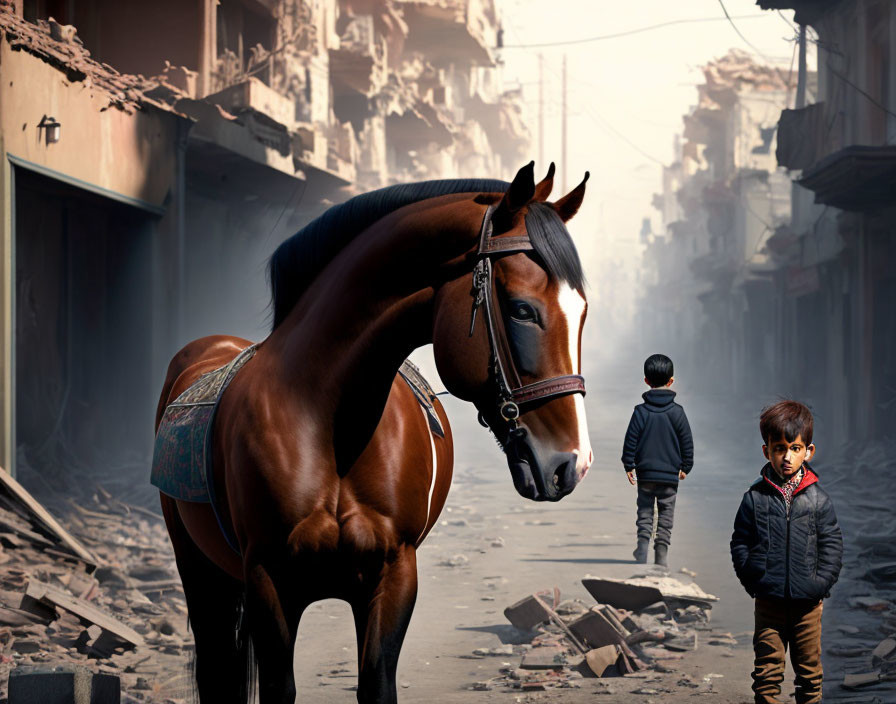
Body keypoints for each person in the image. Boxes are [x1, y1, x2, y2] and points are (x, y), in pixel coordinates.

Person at [730, 400, 843, 704]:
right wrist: (754, 579)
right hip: (769, 603)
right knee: (767, 672)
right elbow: (740, 541)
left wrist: (821, 583)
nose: (787, 457)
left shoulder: (818, 499)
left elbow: (832, 543)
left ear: (809, 451)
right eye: (779, 448)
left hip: (808, 605)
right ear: (766, 450)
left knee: (809, 674)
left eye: (795, 448)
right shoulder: (755, 497)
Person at [621, 353, 694, 567]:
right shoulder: (678, 413)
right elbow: (686, 442)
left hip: (646, 474)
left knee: (644, 511)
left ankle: (642, 548)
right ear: (671, 381)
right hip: (670, 475)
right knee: (666, 513)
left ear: (646, 381)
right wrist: (686, 466)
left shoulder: (640, 412)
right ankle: (661, 553)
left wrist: (629, 465)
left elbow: (631, 440)